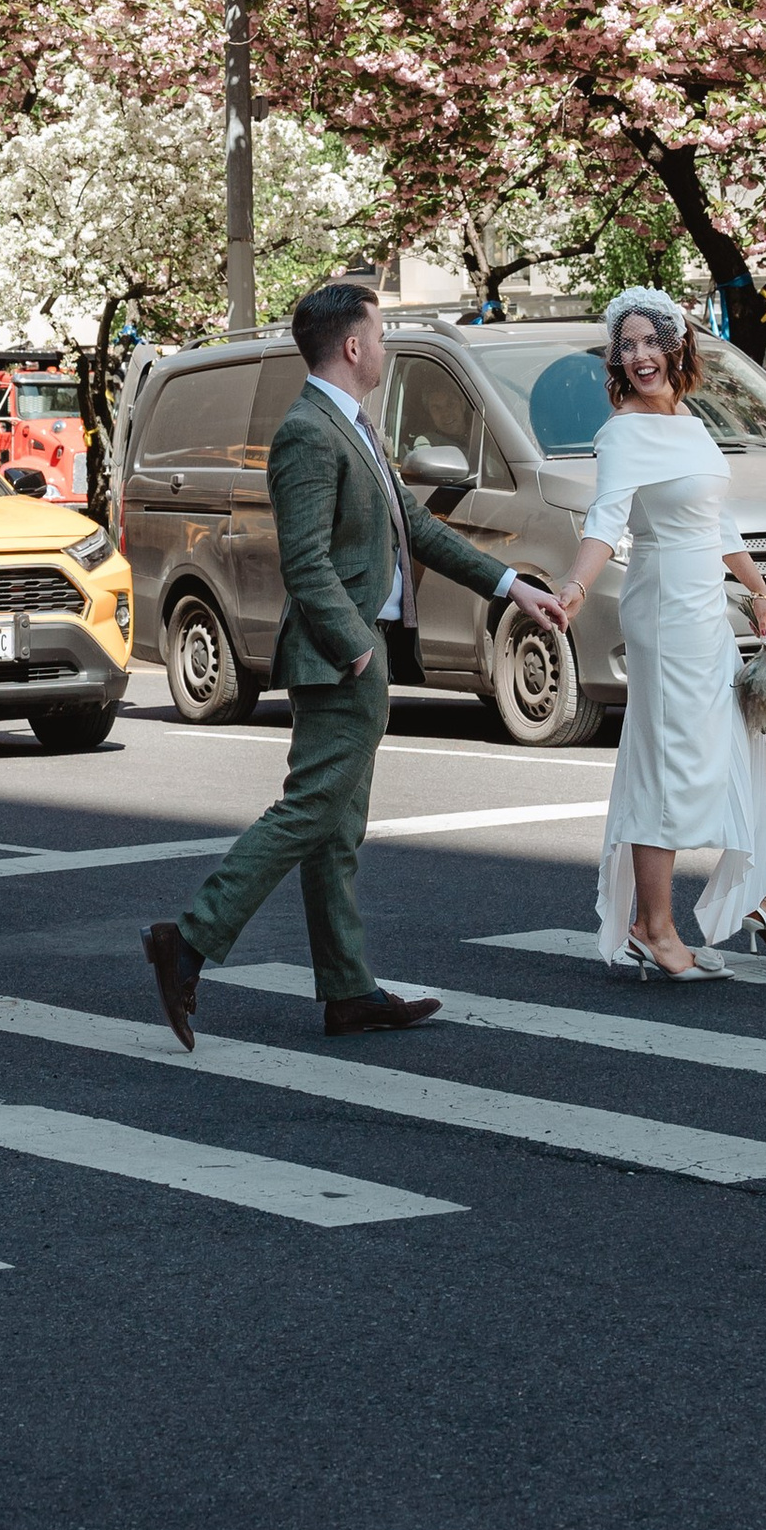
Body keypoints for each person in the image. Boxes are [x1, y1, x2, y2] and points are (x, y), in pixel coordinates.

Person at [144, 278, 567, 1048]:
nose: (381, 347)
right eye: (376, 334)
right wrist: (358, 646)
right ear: (351, 346)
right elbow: (304, 561)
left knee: (337, 832)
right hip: (339, 659)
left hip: (351, 652)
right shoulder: (309, 431)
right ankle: (191, 939)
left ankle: (347, 993)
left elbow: (419, 533)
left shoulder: (354, 425)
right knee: (309, 813)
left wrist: (514, 589)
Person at [549, 289, 766, 980]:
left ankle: (763, 899)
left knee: (736, 746)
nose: (639, 355)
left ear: (677, 347)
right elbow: (605, 521)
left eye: (651, 341)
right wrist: (576, 588)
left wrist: (757, 590)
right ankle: (653, 926)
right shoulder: (623, 433)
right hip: (664, 609)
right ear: (617, 358)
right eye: (627, 345)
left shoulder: (690, 423)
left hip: (704, 605)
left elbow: (718, 521)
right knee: (669, 760)